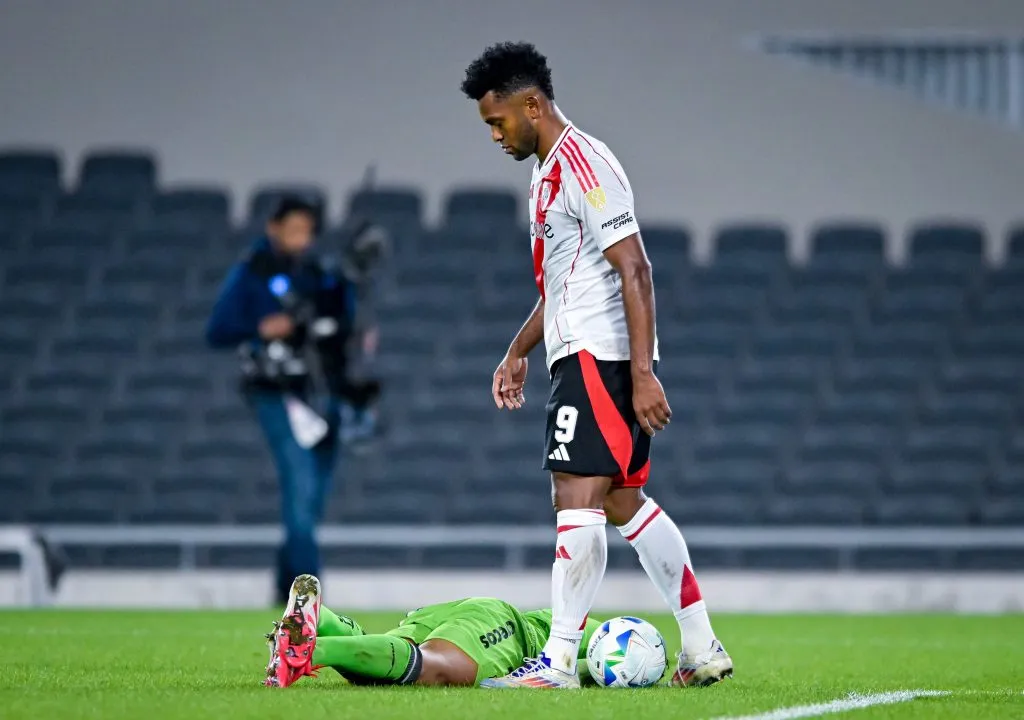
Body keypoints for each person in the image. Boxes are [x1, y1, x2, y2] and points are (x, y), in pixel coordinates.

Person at [460, 42, 733, 689]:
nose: (495, 136)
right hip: (583, 352)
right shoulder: (546, 172)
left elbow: (633, 266)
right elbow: (564, 282)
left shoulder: (585, 164)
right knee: (621, 500)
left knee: (574, 496)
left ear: (533, 104)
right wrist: (517, 350)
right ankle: (701, 645)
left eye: (498, 122)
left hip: (599, 358)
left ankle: (556, 663)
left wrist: (641, 373)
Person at [205, 197, 356, 603]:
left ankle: (282, 587)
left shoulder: (317, 273)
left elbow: (343, 320)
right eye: (294, 230)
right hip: (275, 390)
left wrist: (350, 286)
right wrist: (261, 327)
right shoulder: (252, 272)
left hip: (320, 390)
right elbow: (217, 329)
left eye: (307, 232)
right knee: (300, 485)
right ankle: (309, 600)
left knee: (310, 499)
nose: (301, 240)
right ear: (273, 228)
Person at [264, 575, 602, 688]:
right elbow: (593, 665)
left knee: (379, 668)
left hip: (465, 613)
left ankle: (317, 617)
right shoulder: (605, 635)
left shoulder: (602, 632)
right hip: (507, 629)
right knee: (435, 666)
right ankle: (308, 651)